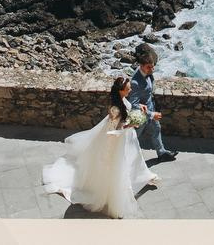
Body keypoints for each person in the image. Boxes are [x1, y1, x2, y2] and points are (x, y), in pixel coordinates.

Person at [43, 76, 158, 218]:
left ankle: (142, 176)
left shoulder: (121, 101)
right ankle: (116, 193)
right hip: (116, 140)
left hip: (125, 137)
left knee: (133, 158)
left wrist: (137, 110)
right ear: (121, 91)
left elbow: (126, 113)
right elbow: (112, 132)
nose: (130, 90)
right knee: (118, 166)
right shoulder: (115, 110)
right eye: (128, 88)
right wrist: (131, 125)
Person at [129, 43, 178, 162]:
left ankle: (161, 153)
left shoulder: (148, 73)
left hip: (151, 109)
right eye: (149, 67)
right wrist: (151, 114)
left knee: (156, 129)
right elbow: (133, 104)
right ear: (141, 66)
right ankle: (128, 159)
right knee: (134, 137)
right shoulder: (135, 82)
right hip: (140, 116)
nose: (152, 69)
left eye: (152, 66)